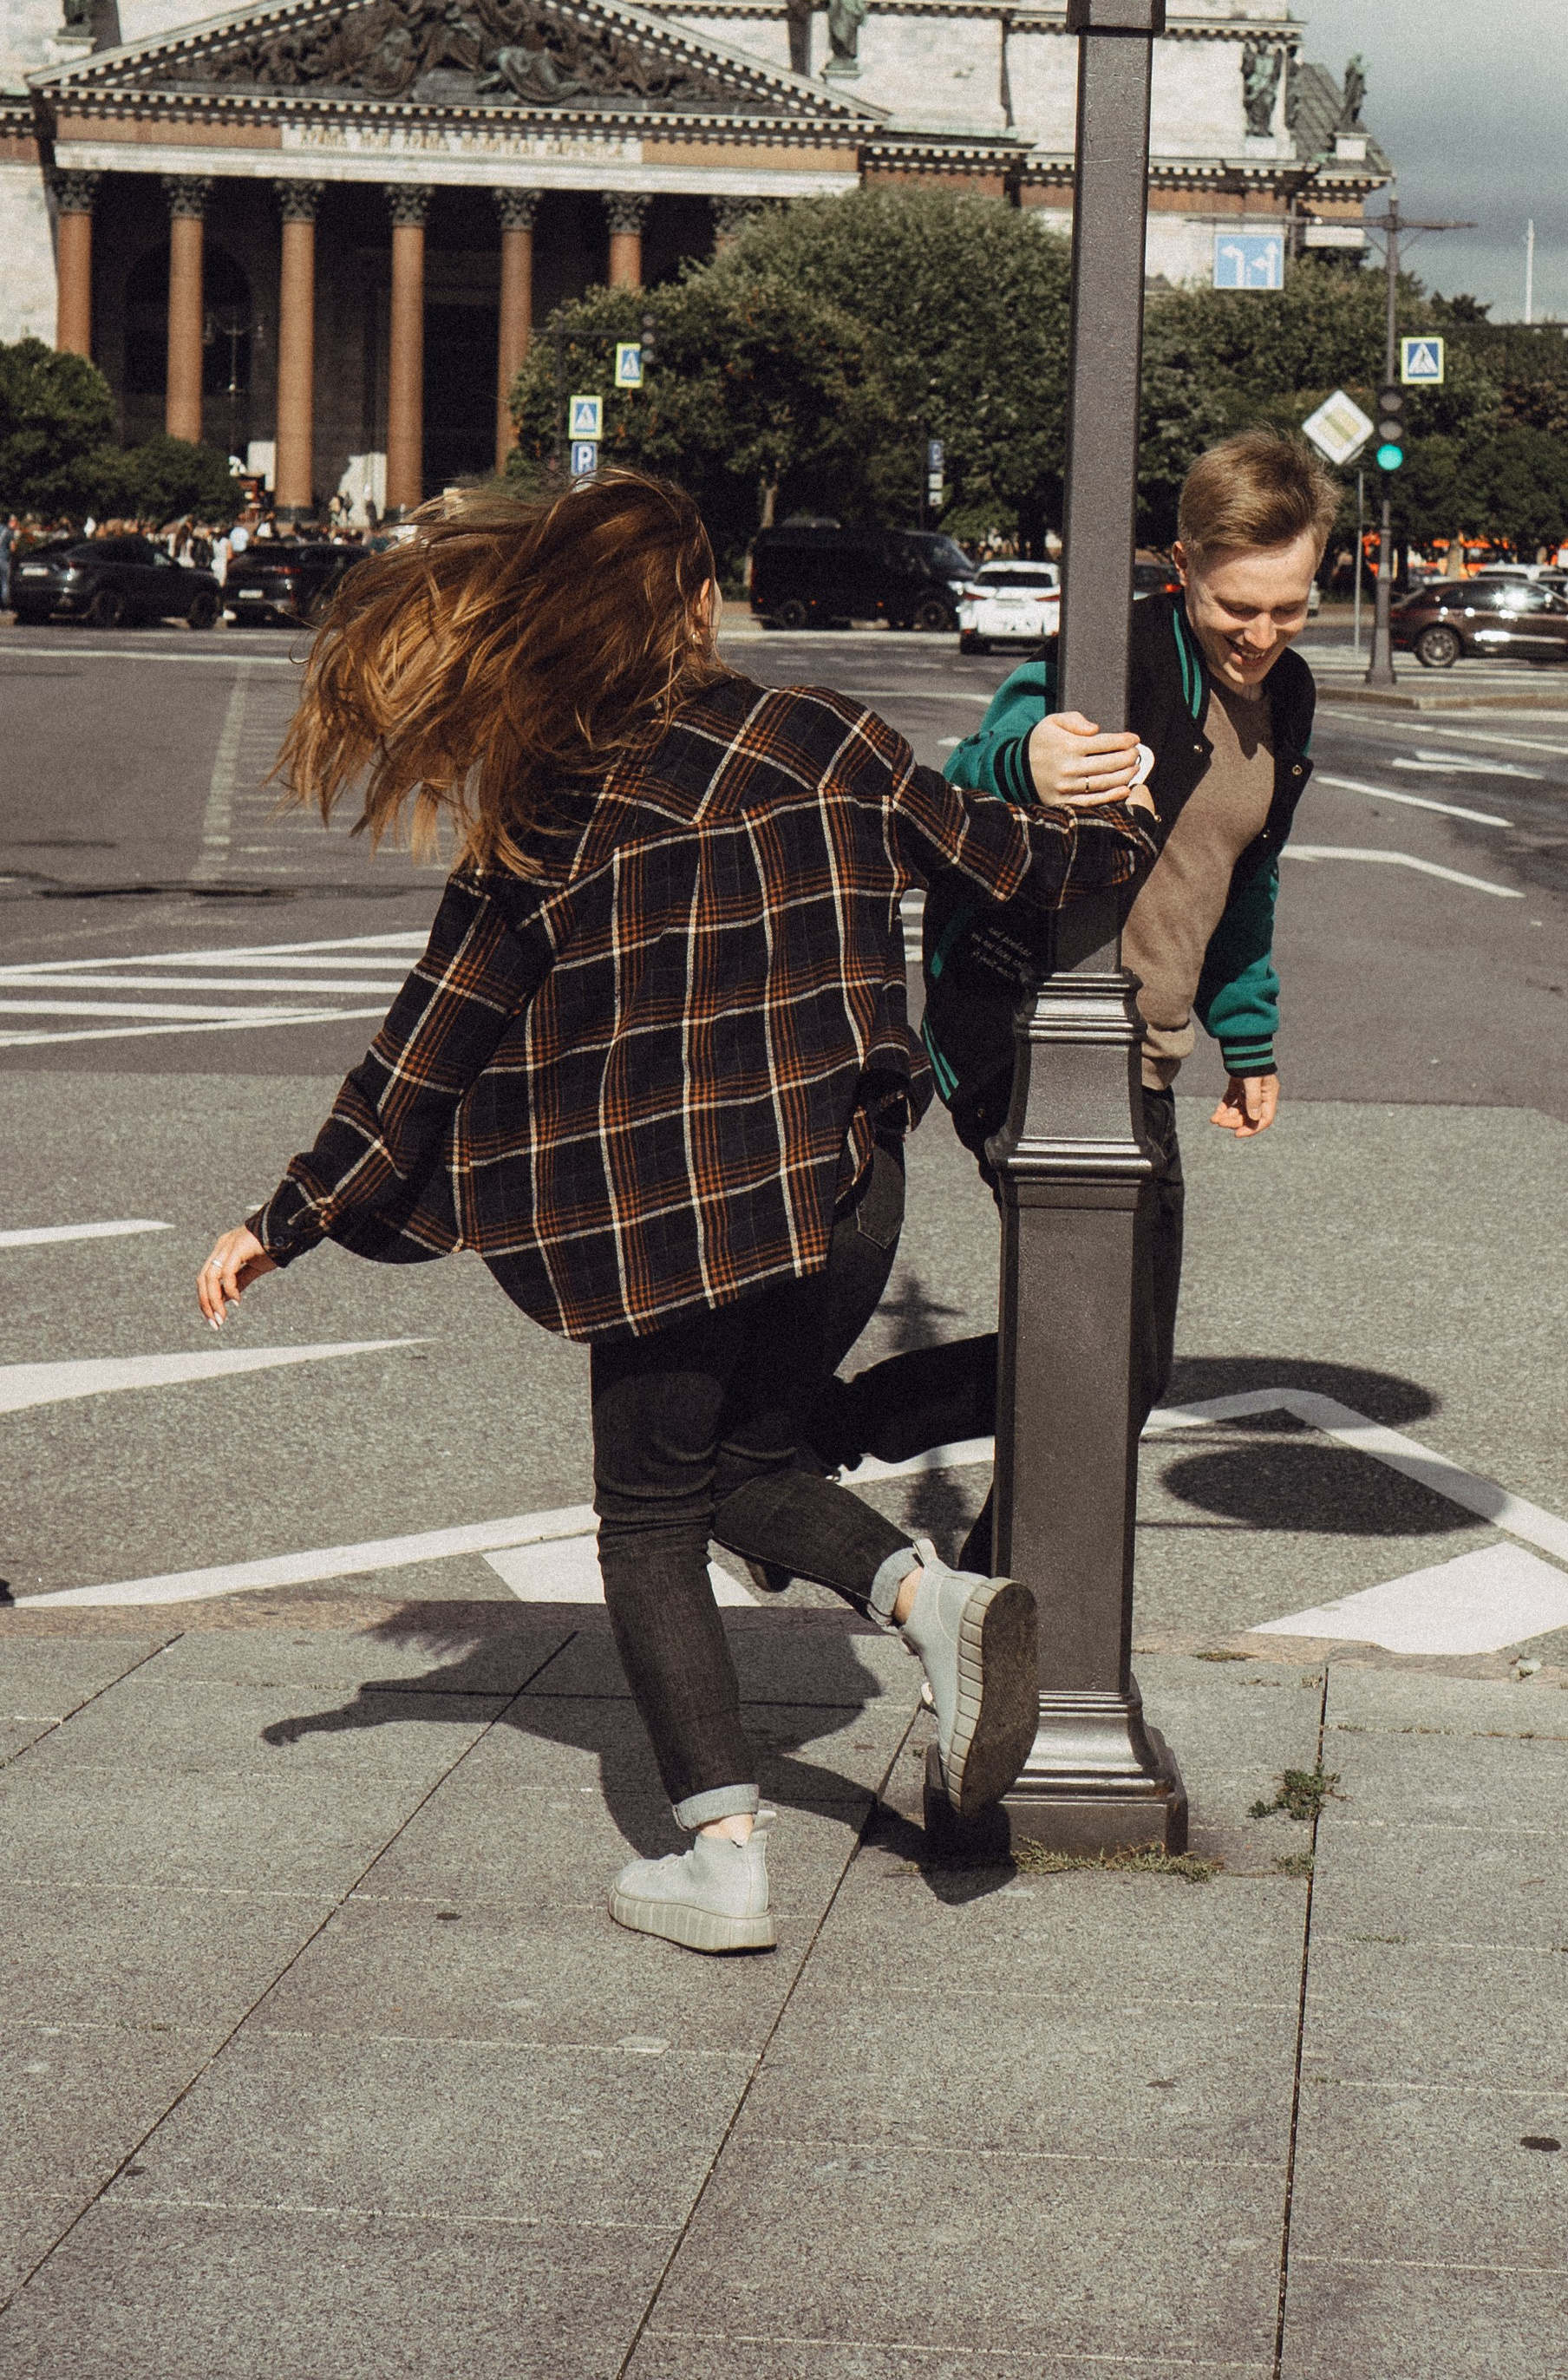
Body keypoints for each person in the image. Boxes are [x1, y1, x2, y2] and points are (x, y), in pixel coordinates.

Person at [193, 474, 1154, 1956]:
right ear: (701, 607)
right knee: (748, 1461)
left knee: (648, 1514)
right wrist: (1125, 816)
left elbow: (429, 1039)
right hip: (846, 1197)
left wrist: (289, 1213)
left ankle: (723, 1853)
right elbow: (1019, 863)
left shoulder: (553, 814)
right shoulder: (828, 735)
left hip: (654, 1218)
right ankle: (929, 1603)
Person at [815, 428, 1333, 1553]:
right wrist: (1027, 763)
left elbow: (1244, 884)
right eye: (1236, 605)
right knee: (1096, 1362)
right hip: (1024, 1031)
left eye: (1289, 607)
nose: (1260, 636)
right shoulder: (1113, 653)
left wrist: (1250, 1041)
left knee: (1114, 1366)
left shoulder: (1287, 697)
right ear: (1184, 565)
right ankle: (854, 1481)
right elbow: (976, 769)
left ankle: (849, 1483)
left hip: (1137, 1049)